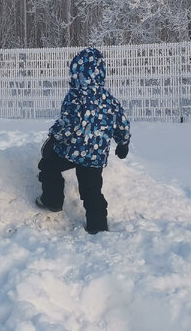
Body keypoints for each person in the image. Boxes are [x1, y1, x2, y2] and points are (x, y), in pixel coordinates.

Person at [36, 46, 131, 234]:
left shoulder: (76, 95)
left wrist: (53, 139)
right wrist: (123, 142)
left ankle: (52, 200)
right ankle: (98, 226)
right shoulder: (109, 98)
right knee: (92, 190)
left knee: (48, 166)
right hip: (95, 156)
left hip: (72, 151)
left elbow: (68, 123)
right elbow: (121, 122)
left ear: (76, 72)